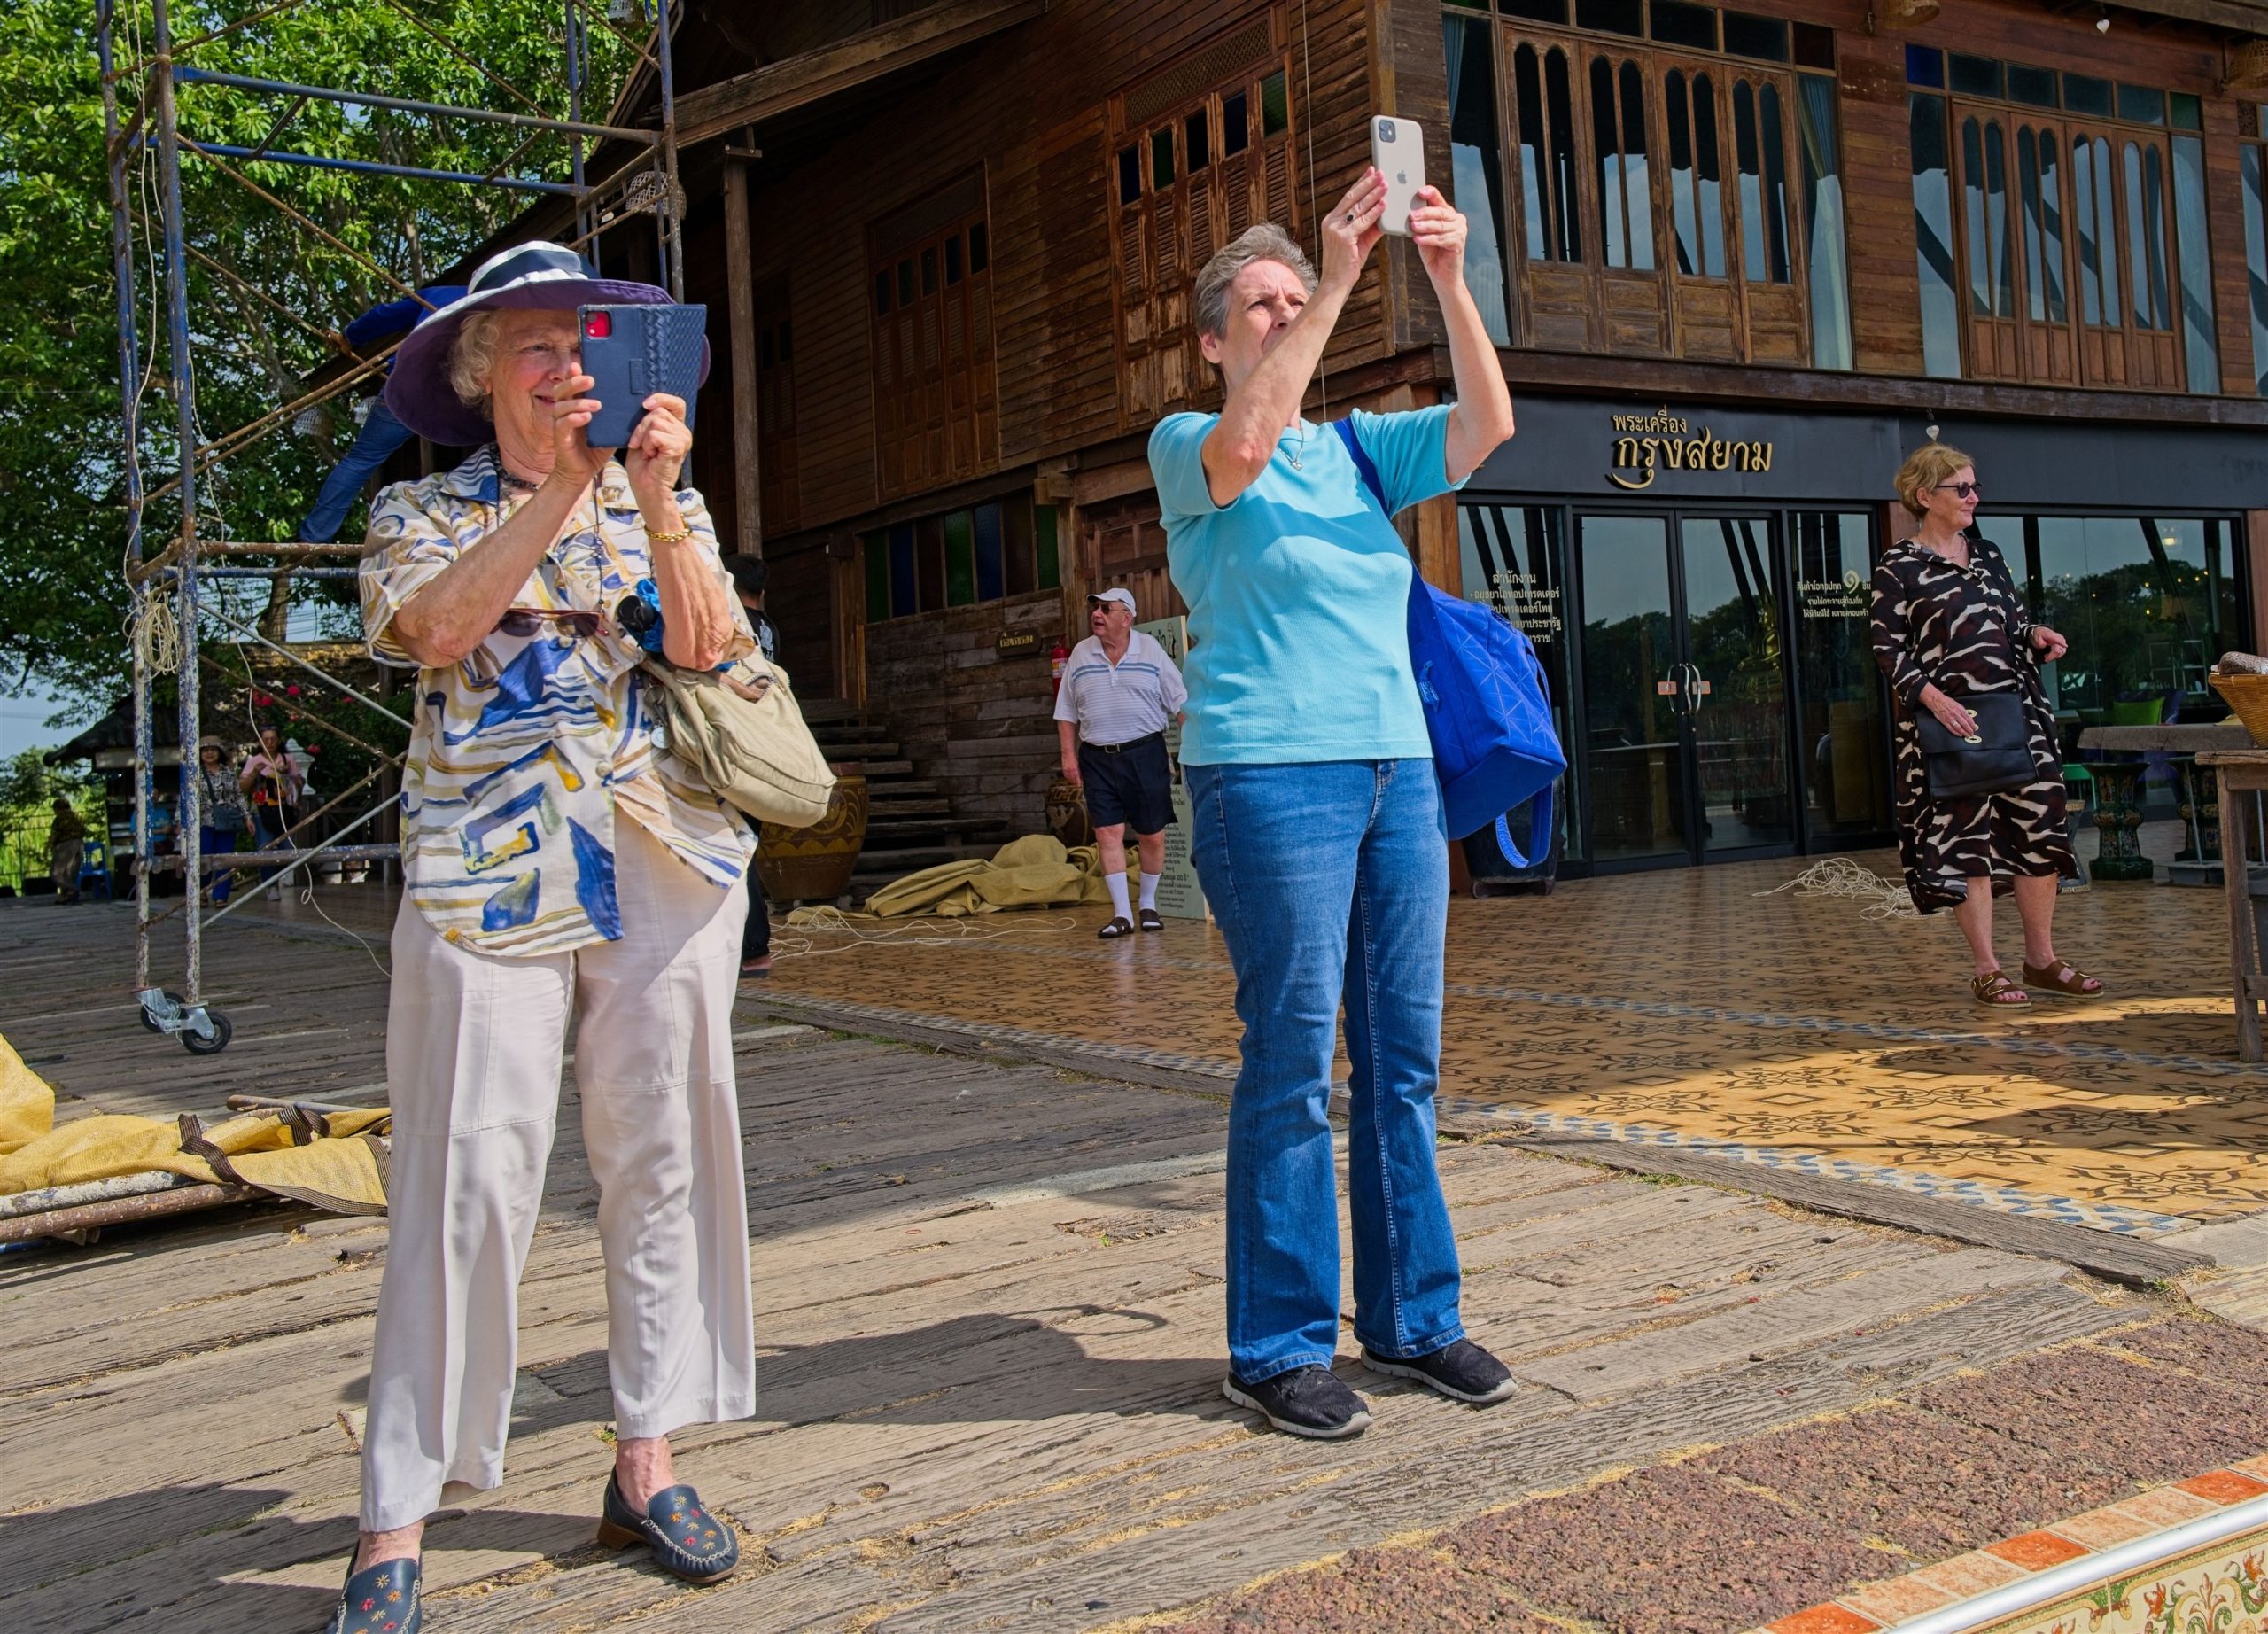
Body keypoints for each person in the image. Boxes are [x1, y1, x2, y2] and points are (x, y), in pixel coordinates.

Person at [338, 240, 757, 1634]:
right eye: (535, 344)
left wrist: (658, 498)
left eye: (585, 343)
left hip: (663, 852)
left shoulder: (659, 498)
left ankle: (649, 1462)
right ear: (480, 376)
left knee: (661, 1157)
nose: (568, 367)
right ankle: (397, 1515)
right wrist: (570, 486)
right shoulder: (421, 512)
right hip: (489, 865)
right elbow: (436, 628)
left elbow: (707, 650)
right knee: (466, 1174)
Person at [1146, 175, 1518, 1440]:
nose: (1284, 311)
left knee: (1403, 1059)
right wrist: (1342, 280)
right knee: (1294, 1058)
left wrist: (1451, 279)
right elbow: (1245, 449)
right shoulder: (1188, 442)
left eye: (1294, 297)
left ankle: (1414, 1319)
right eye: (1260, 304)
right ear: (1213, 341)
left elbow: (1487, 425)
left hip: (1395, 771)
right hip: (1266, 775)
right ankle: (1279, 1344)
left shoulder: (1355, 449)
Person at [1871, 444, 2099, 1008]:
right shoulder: (1898, 567)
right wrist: (1935, 700)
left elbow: (2012, 623)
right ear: (1925, 497)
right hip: (1950, 724)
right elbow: (1888, 650)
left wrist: (2035, 636)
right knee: (1967, 839)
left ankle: (2041, 960)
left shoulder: (1989, 553)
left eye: (1975, 486)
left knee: (2040, 828)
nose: (1974, 497)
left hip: (2018, 715)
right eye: (1962, 488)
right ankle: (1987, 968)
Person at [1053, 587, 1187, 937]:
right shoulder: (1081, 654)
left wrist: (1193, 747)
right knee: (1107, 832)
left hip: (1145, 754)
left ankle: (1148, 905)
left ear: (1127, 618)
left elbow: (1181, 704)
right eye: (1095, 608)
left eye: (1105, 609)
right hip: (1097, 757)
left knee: (1152, 835)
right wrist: (1068, 756)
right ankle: (1122, 914)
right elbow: (1065, 711)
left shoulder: (1151, 650)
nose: (1096, 614)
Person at [298, 284, 468, 543]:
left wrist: (350, 337)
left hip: (406, 388)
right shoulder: (508, 302)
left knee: (360, 461)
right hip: (461, 396)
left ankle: (312, 538)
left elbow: (385, 315)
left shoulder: (443, 294)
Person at [725, 555, 778, 977]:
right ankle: (752, 947)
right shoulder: (769, 628)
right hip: (766, 742)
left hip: (738, 742)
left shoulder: (732, 624)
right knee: (746, 845)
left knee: (734, 845)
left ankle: (752, 947)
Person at [239, 728, 303, 891]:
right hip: (262, 810)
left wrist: (289, 775)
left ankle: (275, 877)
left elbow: (299, 784)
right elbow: (242, 788)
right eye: (265, 739)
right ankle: (270, 885)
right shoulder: (254, 761)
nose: (269, 743)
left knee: (288, 849)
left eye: (273, 739)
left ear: (279, 741)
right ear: (260, 742)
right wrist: (255, 772)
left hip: (285, 809)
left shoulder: (287, 759)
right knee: (265, 847)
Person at [194, 736, 254, 905]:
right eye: (205, 750)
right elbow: (185, 798)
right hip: (203, 821)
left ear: (219, 752)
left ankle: (221, 895)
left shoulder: (228, 773)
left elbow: (238, 796)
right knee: (203, 857)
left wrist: (247, 817)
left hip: (227, 821)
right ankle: (201, 891)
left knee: (226, 859)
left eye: (213, 750)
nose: (209, 753)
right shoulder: (194, 773)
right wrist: (180, 823)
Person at [47, 798, 85, 904]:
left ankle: (71, 890)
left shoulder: (60, 818)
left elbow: (54, 835)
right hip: (79, 844)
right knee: (70, 872)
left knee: (56, 872)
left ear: (58, 809)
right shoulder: (77, 816)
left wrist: (47, 848)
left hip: (66, 846)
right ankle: (65, 896)